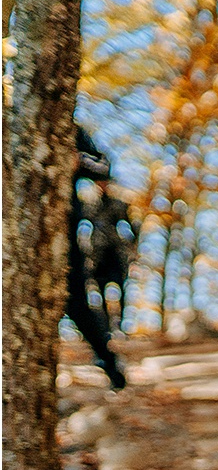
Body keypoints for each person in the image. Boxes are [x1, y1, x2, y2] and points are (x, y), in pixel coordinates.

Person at [67, 126, 127, 389]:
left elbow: (103, 164)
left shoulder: (70, 130)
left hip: (65, 238)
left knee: (77, 302)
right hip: (93, 253)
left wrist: (78, 160)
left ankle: (109, 362)